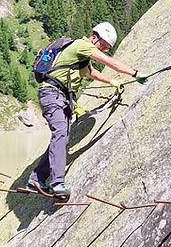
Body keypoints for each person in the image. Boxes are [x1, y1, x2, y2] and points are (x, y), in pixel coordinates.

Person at [29, 22, 143, 201]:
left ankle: (37, 178)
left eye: (106, 48)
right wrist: (134, 73)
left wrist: (112, 82)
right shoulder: (82, 46)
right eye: (103, 46)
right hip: (52, 94)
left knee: (62, 137)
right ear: (95, 37)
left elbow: (92, 73)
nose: (103, 51)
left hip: (59, 97)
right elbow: (109, 62)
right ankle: (57, 182)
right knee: (60, 134)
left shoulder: (80, 58)